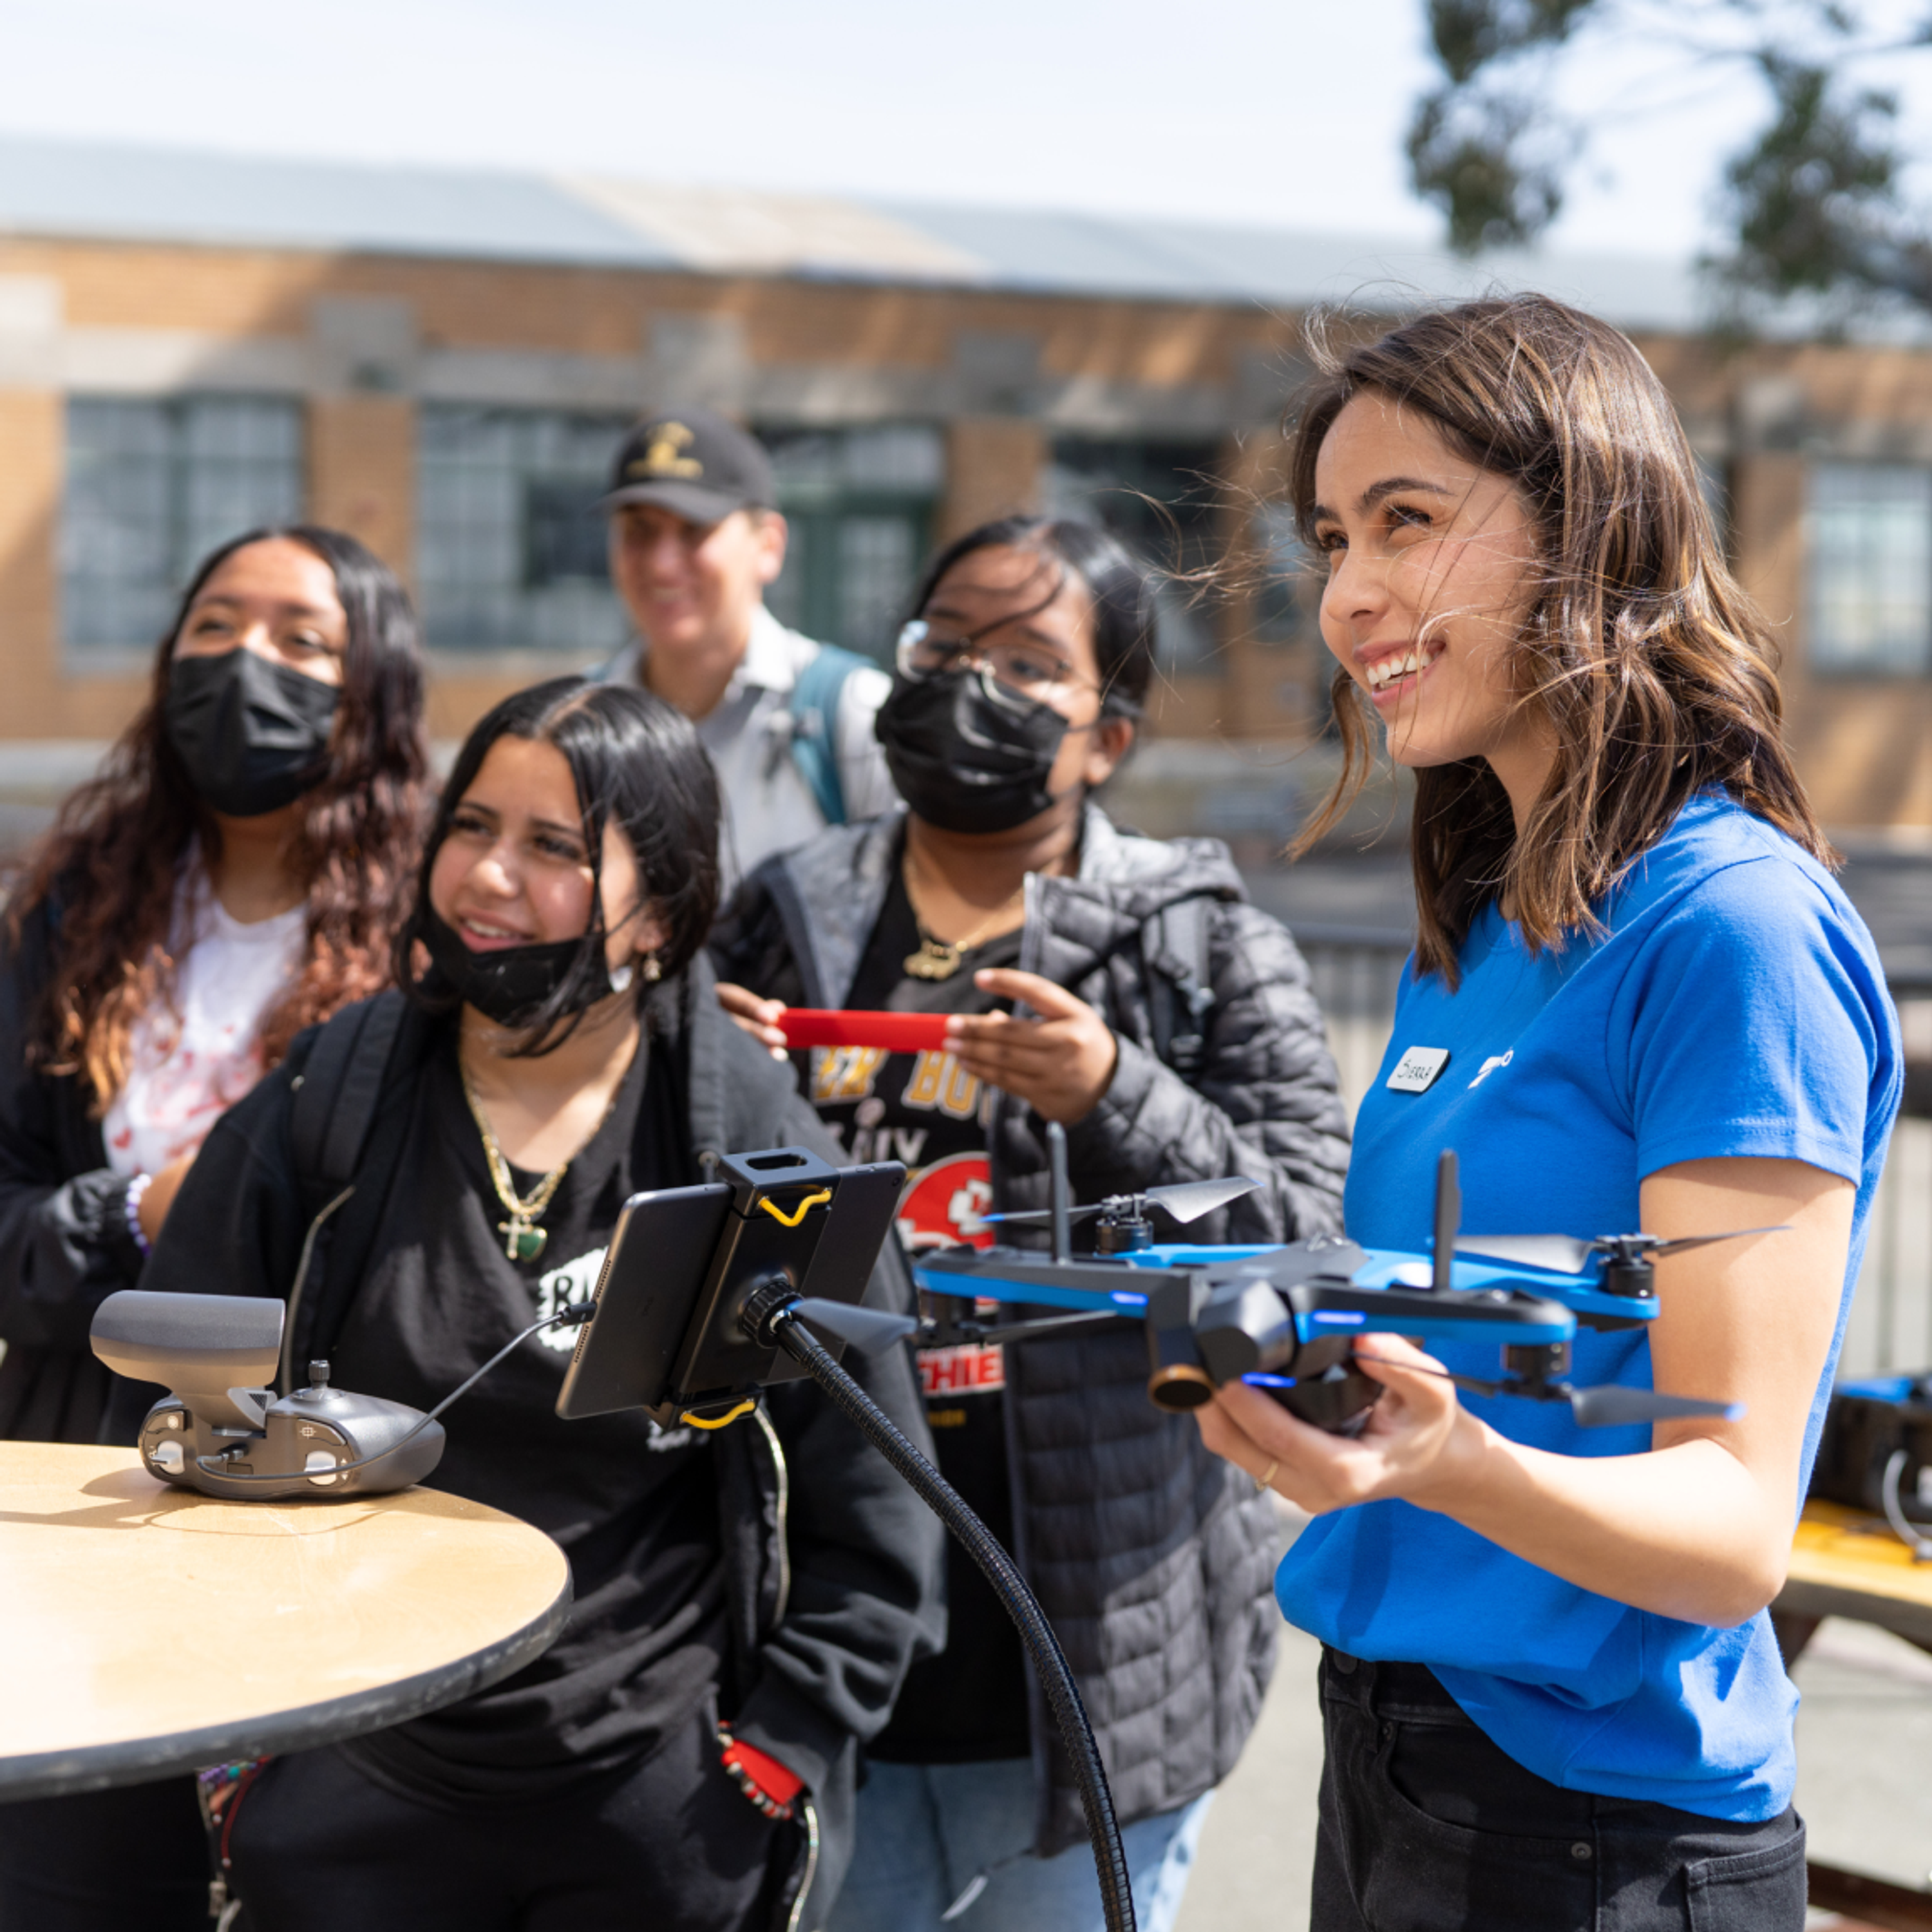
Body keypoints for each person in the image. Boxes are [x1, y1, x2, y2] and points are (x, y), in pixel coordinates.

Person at [1191, 296, 1902, 1932]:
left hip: (1588, 1831)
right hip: (1388, 1745)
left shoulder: (1732, 930)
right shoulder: (1495, 914)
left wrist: (1442, 1459)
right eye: (1329, 538)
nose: (1349, 593)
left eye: (1406, 521)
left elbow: (1728, 1526)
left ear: (1589, 527)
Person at [130, 677, 945, 1932]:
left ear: (659, 912)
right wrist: (247, 1767)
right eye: (471, 826)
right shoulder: (333, 1101)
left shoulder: (753, 1153)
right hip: (347, 1791)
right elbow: (171, 1410)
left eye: (554, 847)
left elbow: (877, 1509)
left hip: (663, 1817)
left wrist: (774, 1755)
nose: (488, 878)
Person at [710, 515, 1352, 1932]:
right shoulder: (781, 915)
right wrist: (708, 1075)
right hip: (828, 1638)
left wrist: (1119, 1092)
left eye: (1025, 662)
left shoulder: (1200, 935)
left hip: (1089, 1657)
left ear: (1107, 737)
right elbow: (671, 1231)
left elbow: (1312, 1236)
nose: (967, 686)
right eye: (941, 649)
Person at [0, 524, 430, 1932]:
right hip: (77, 1501)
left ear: (370, 691)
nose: (248, 664)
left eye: (303, 641)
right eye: (214, 627)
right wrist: (133, 1213)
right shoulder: (70, 916)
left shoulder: (433, 951)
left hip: (319, 1522)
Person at [594, 404, 896, 891]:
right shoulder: (584, 717)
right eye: (639, 532)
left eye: (695, 531)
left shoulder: (852, 713)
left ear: (769, 545)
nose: (662, 564)